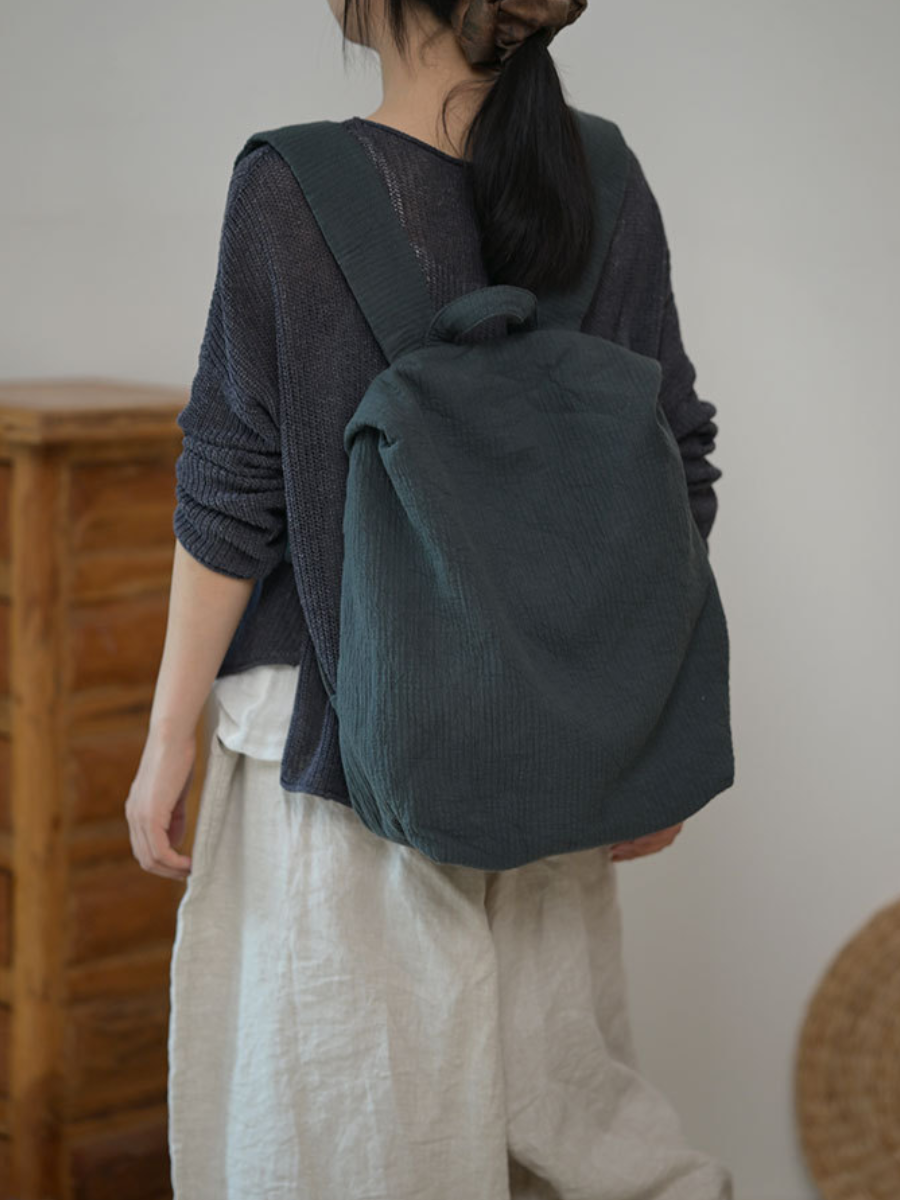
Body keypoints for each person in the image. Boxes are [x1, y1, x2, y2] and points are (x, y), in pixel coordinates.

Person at [125, 1, 733, 1196]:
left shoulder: (290, 187)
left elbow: (234, 490)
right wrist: (640, 726)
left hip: (339, 763)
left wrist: (164, 738)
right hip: (548, 752)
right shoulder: (606, 180)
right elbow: (673, 465)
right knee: (556, 1134)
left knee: (347, 1147)